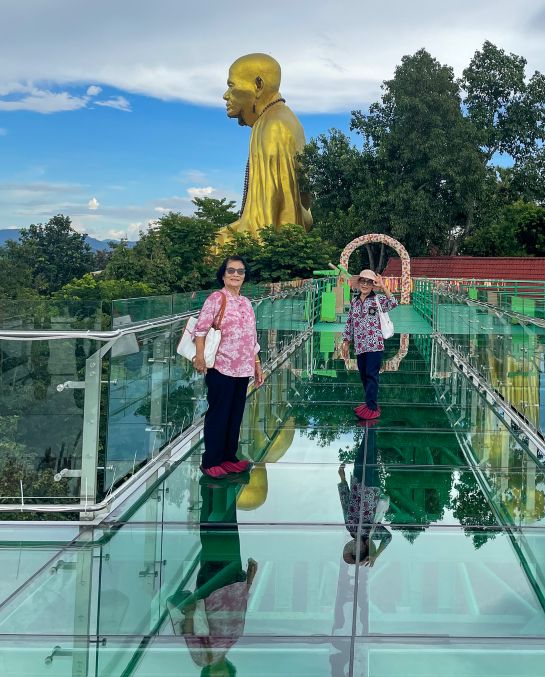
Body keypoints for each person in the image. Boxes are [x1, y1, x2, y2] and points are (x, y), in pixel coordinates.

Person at [216, 53, 313, 249]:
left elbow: (262, 225)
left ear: (258, 85)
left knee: (208, 245)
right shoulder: (279, 118)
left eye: (232, 86)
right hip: (287, 239)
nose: (226, 95)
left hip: (274, 246)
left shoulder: (273, 127)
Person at [168, 477, 258, 677]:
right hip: (234, 579)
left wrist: (190, 611)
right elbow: (239, 608)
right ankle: (224, 484)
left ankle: (209, 489)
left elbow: (189, 633)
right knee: (230, 529)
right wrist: (250, 581)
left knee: (211, 537)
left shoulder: (202, 659)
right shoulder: (234, 640)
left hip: (212, 588)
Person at [193, 256, 264, 478]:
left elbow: (252, 337)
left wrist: (257, 364)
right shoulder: (216, 298)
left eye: (240, 271)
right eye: (231, 270)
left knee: (235, 414)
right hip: (221, 367)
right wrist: (199, 357)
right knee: (219, 413)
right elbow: (200, 330)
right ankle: (211, 461)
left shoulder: (246, 302)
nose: (235, 275)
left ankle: (228, 458)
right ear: (223, 274)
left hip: (243, 368)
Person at [340, 270, 398, 420]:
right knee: (363, 375)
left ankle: (372, 407)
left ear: (373, 285)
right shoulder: (354, 302)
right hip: (360, 346)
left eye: (369, 282)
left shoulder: (377, 300)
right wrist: (346, 342)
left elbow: (393, 303)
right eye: (363, 281)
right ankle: (369, 402)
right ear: (358, 283)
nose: (365, 285)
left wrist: (383, 286)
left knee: (372, 375)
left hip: (374, 345)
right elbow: (349, 322)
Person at [337, 423, 392, 566]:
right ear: (365, 549)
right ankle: (371, 422)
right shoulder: (371, 533)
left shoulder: (350, 528)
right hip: (370, 487)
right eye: (358, 550)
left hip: (356, 482)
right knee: (370, 453)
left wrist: (342, 479)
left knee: (362, 454)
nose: (356, 547)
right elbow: (388, 537)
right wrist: (376, 555)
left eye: (353, 549)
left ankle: (369, 424)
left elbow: (345, 505)